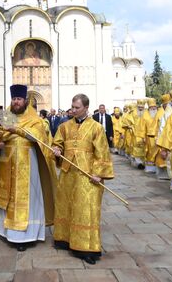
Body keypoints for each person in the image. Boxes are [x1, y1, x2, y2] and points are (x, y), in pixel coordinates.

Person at [0, 85, 57, 252]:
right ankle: (6, 232)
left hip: (28, 166)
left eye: (19, 99)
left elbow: (37, 137)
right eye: (14, 99)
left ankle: (25, 236)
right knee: (7, 199)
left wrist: (14, 129)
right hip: (5, 164)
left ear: (25, 101)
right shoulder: (4, 116)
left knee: (27, 200)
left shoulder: (34, 118)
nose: (16, 102)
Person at [52, 93, 114, 264]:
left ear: (86, 108)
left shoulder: (96, 128)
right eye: (72, 106)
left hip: (87, 175)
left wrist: (99, 174)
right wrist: (56, 150)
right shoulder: (64, 126)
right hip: (67, 173)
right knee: (66, 206)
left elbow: (102, 153)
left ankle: (87, 248)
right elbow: (57, 143)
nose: (73, 110)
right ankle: (64, 239)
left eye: (77, 107)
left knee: (87, 210)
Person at [140, 98, 160, 173]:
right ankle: (150, 168)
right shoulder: (145, 115)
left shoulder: (159, 114)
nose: (153, 108)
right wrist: (143, 137)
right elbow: (142, 127)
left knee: (158, 152)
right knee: (149, 152)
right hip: (148, 137)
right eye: (151, 107)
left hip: (158, 136)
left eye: (154, 107)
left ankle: (158, 168)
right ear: (149, 108)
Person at [154, 94, 170, 178]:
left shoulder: (171, 113)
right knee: (161, 157)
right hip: (161, 137)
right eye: (166, 104)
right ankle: (162, 174)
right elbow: (156, 126)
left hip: (169, 138)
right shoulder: (160, 113)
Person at [132, 100, 147, 169]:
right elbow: (130, 121)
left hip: (144, 133)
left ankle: (144, 162)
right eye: (139, 107)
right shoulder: (134, 113)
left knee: (144, 148)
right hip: (136, 133)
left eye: (142, 107)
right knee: (137, 148)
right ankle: (139, 163)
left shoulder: (146, 112)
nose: (140, 108)